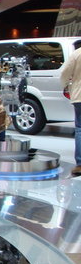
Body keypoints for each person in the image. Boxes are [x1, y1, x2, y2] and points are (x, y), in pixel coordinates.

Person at [59, 39, 81, 176]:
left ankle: (80, 164)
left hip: (80, 96)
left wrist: (65, 85)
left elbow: (64, 73)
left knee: (80, 129)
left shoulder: (77, 54)